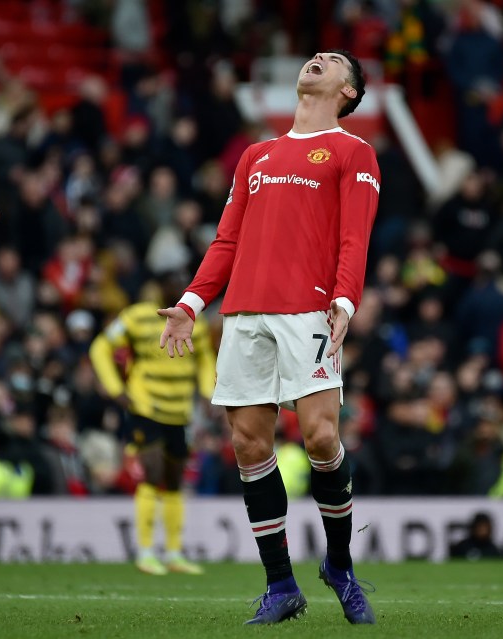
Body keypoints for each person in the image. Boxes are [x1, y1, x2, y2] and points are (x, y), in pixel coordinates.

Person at [158, 49, 380, 625]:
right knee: (250, 446)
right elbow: (226, 239)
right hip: (245, 314)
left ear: (348, 92)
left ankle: (338, 564)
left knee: (320, 437)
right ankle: (281, 586)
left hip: (308, 311)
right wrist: (190, 302)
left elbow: (356, 237)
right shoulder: (256, 155)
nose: (316, 60)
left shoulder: (354, 153)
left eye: (332, 61)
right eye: (314, 56)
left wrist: (344, 300)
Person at [90, 270, 215, 576]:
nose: (177, 288)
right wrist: (116, 388)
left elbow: (204, 358)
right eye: (172, 283)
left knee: (174, 480)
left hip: (180, 411)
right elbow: (100, 348)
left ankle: (173, 553)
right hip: (145, 407)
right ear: (158, 287)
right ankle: (145, 552)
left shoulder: (195, 320)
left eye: (182, 284)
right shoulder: (135, 317)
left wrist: (208, 392)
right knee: (152, 472)